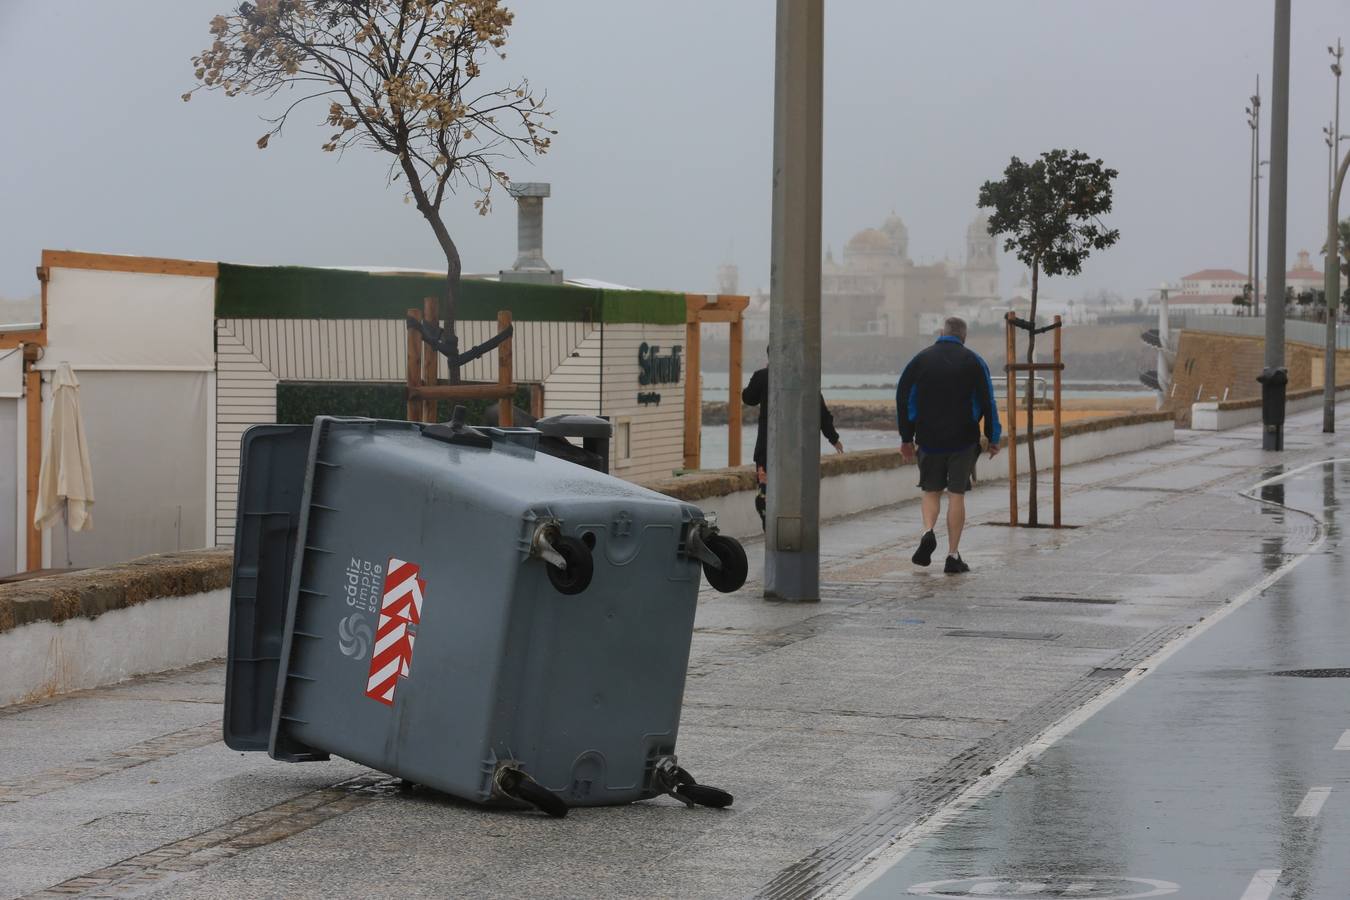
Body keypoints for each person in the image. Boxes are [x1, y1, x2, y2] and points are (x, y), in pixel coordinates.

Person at [895, 317, 1001, 574]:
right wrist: (993, 436)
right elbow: (988, 399)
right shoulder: (973, 360)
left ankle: (928, 531)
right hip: (963, 439)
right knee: (956, 495)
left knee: (930, 491)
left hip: (929, 438)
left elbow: (904, 396)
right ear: (963, 336)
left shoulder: (920, 359)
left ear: (942, 332)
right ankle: (952, 556)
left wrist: (906, 437)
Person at [742, 354, 844, 530]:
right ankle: (789, 528)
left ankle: (771, 528)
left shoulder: (763, 376)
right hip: (797, 451)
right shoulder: (806, 379)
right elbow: (822, 413)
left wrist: (765, 373)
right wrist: (833, 438)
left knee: (765, 492)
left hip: (767, 449)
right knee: (792, 493)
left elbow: (748, 398)